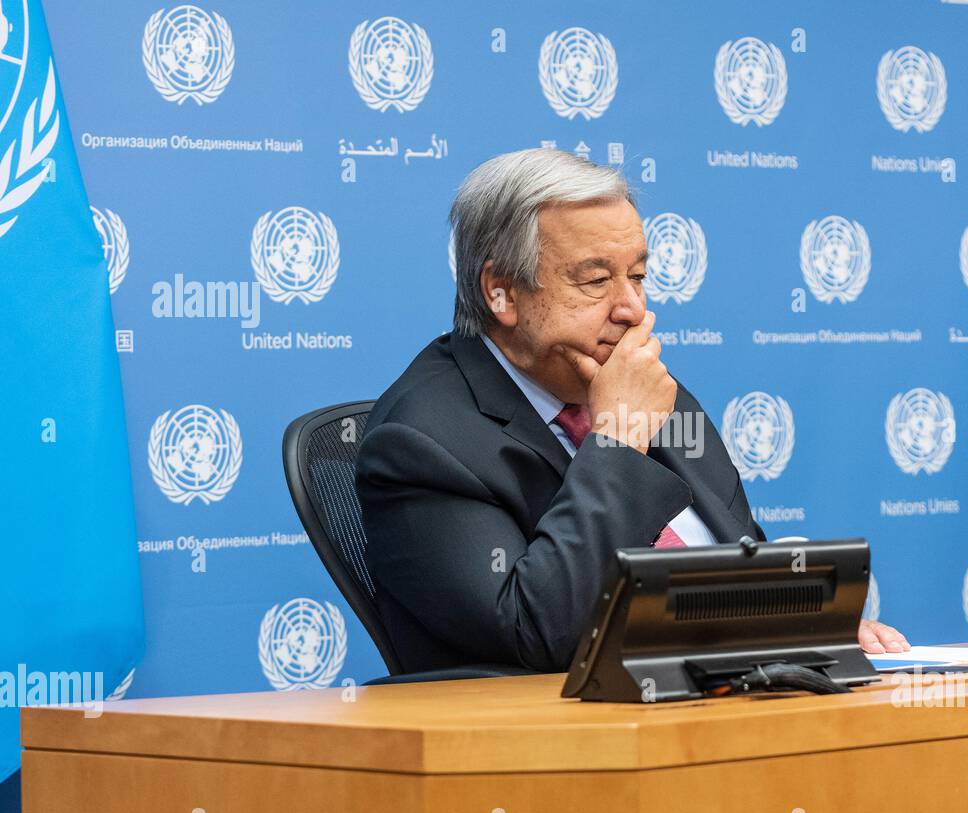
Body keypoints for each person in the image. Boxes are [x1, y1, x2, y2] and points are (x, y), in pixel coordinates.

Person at [356, 148, 910, 674]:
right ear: (502, 292)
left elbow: (742, 563)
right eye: (596, 281)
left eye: (638, 277)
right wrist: (617, 438)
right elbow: (539, 634)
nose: (632, 308)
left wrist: (805, 623)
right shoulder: (421, 440)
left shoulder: (654, 394)